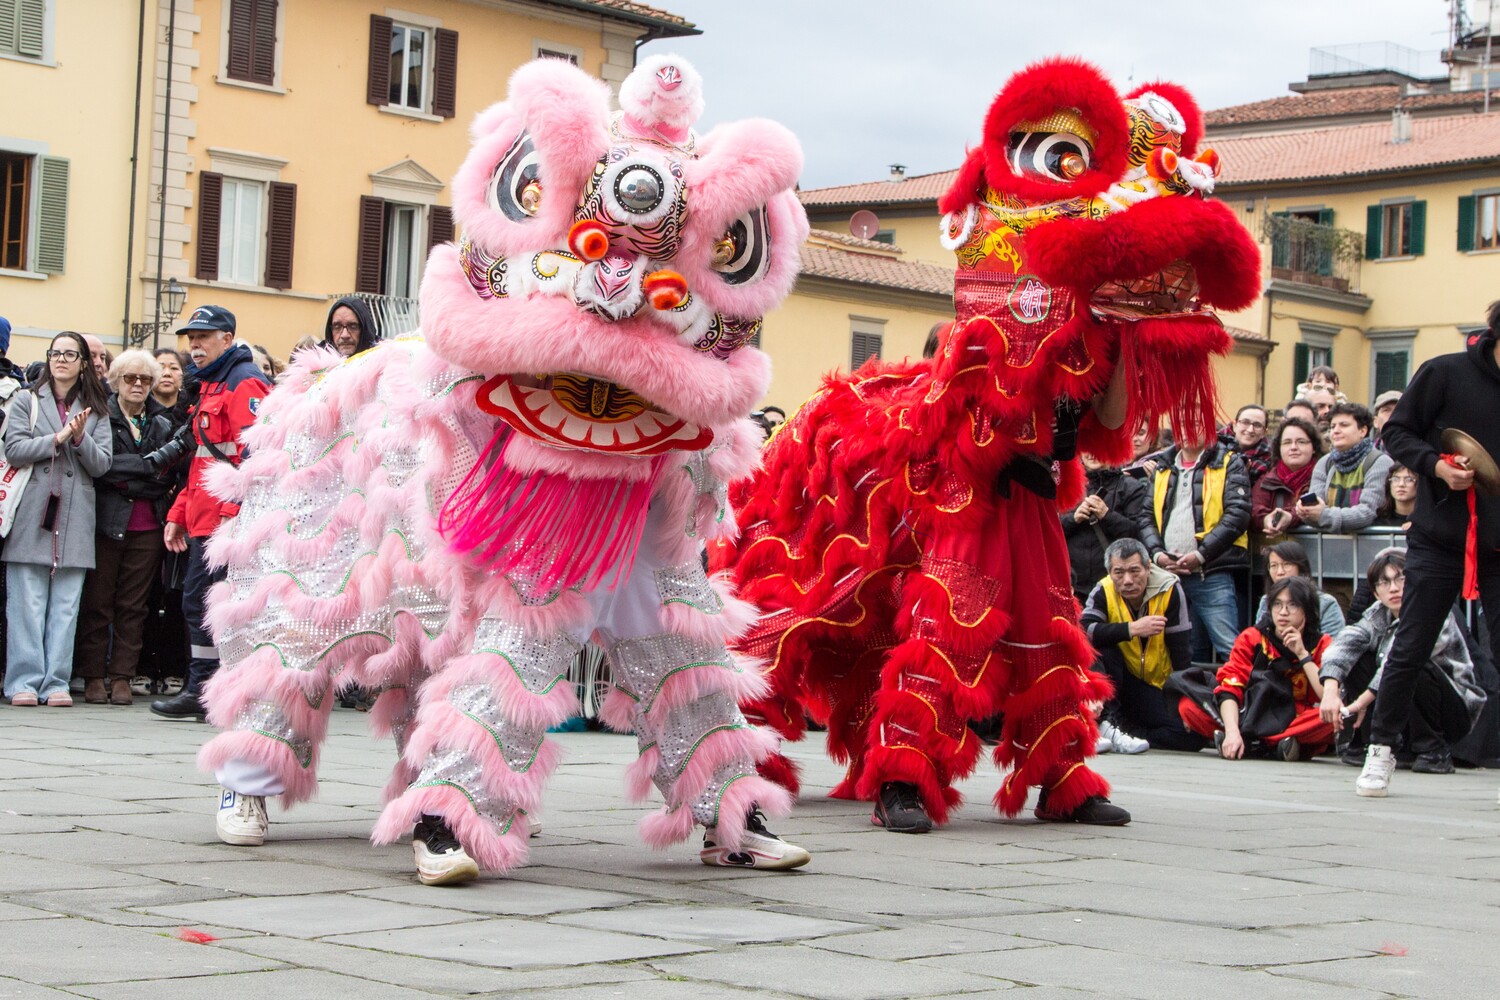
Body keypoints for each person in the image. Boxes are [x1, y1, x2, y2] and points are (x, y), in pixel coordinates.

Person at [1357, 304, 1500, 797]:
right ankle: (1380, 750)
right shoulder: (1444, 372)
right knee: (1411, 644)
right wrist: (1436, 468)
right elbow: (1395, 432)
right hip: (1441, 538)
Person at [150, 306, 270, 721]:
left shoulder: (243, 382)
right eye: (190, 338)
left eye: (203, 336)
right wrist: (180, 512)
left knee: (209, 603)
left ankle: (210, 691)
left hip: (229, 520)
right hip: (206, 516)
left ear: (227, 337)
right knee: (200, 602)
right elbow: (203, 462)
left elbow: (258, 458)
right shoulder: (211, 384)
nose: (194, 346)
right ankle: (206, 690)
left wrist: (233, 514)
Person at [2, 332, 112, 707]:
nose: (61, 359)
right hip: (32, 511)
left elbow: (103, 465)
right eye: (55, 353)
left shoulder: (97, 409)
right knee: (26, 604)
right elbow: (14, 449)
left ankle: (56, 682)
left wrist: (80, 440)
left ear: (84, 363)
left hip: (76, 515)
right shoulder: (26, 400)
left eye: (70, 353)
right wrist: (59, 436)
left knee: (66, 606)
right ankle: (23, 681)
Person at [74, 351, 191, 705]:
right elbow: (102, 469)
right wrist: (142, 469)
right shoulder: (101, 417)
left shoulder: (163, 421)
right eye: (130, 378)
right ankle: (95, 674)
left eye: (144, 379)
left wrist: (129, 475)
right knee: (98, 602)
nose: (138, 385)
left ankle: (122, 675)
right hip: (107, 522)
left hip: (149, 526)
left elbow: (167, 475)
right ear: (116, 381)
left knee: (134, 605)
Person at [1320, 550, 1484, 775]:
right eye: (1384, 582)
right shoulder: (1377, 614)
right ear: (1376, 593)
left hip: (1454, 708)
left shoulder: (1433, 612)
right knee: (1357, 656)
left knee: (1413, 665)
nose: (1394, 588)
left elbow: (1395, 662)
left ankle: (1433, 749)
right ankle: (1378, 743)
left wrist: (1359, 703)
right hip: (1400, 703)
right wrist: (1331, 689)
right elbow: (1343, 644)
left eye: (1401, 579)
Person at [1173, 576, 1335, 761]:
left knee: (1337, 717)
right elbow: (1230, 688)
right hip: (1248, 713)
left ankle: (1253, 744)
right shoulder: (1252, 637)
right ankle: (1269, 744)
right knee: (1188, 707)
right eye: (1277, 604)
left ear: (1306, 610)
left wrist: (1302, 655)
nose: (1283, 612)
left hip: (1293, 717)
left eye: (1292, 605)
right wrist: (1233, 731)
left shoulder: (1322, 643)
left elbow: (1326, 696)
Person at [1080, 539, 1203, 752]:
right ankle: (1108, 723)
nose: (1127, 580)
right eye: (1119, 572)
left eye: (1134, 571)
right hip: (1116, 680)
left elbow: (1182, 652)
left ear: (1148, 568)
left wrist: (1184, 698)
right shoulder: (1103, 589)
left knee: (1193, 736)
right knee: (1101, 647)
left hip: (1155, 685)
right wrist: (1132, 629)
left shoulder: (1170, 589)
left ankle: (1128, 731)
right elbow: (1085, 631)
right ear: (1109, 571)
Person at [1143, 433, 1252, 662]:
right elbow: (1146, 517)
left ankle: (1237, 697)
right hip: (1166, 575)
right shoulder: (1163, 464)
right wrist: (1157, 554)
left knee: (1230, 649)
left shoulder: (1229, 461)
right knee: (1177, 650)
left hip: (1210, 571)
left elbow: (1238, 513)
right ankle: (1186, 697)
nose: (1187, 428)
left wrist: (1202, 555)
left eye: (1195, 421)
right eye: (1181, 422)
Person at [1062, 452, 1149, 604]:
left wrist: (1107, 515)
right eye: (1087, 449)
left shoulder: (1131, 487)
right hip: (1074, 585)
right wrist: (1073, 518)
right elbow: (1051, 532)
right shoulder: (1068, 486)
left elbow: (1138, 534)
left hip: (1115, 584)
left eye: (1097, 448)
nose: (1092, 454)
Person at [1298, 402, 1392, 534]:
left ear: (1363, 431)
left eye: (1344, 425)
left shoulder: (1379, 462)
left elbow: (1369, 512)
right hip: (1327, 546)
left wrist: (1324, 515)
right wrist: (1305, 511)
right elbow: (1316, 509)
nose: (1336, 430)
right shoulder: (1324, 463)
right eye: (1332, 426)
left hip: (1369, 547)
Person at [1252, 416, 1324, 541]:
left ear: (1314, 448)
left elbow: (1313, 508)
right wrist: (1266, 520)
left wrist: (1290, 517)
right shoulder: (1267, 479)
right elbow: (1254, 509)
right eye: (1287, 442)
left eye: (1301, 441)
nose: (1293, 447)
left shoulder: (1322, 477)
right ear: (1279, 449)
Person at [1254, 540, 1346, 636]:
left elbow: (1335, 647)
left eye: (1286, 564)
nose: (1280, 572)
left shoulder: (1325, 603)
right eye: (1274, 566)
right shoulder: (1266, 601)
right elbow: (1257, 640)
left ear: (1301, 567)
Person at [1219, 404, 1272, 485]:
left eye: (1257, 425)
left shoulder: (1270, 461)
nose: (1250, 430)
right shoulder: (1212, 447)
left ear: (1264, 432)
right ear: (1234, 425)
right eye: (1245, 422)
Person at [1373, 464, 1417, 530]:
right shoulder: (1379, 522)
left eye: (1409, 479)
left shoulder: (1428, 522)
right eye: (1395, 479)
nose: (1401, 484)